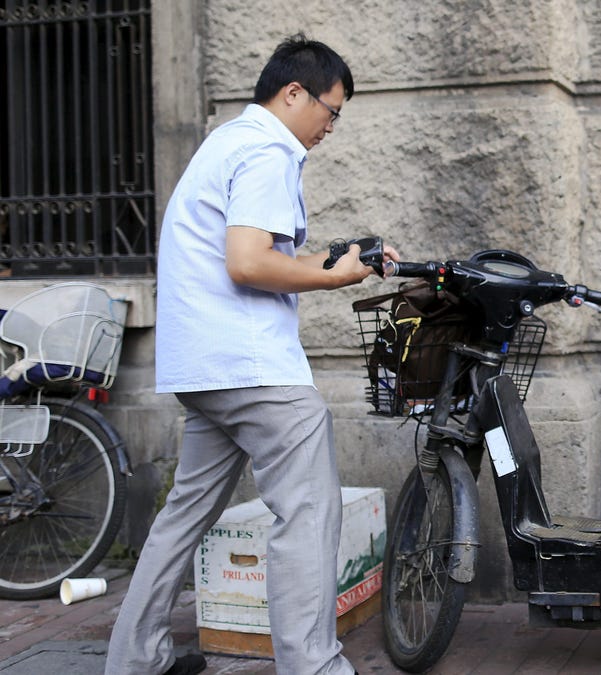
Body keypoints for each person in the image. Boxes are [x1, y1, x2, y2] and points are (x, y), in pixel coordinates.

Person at [106, 34, 395, 675]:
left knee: (184, 515)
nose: (330, 126)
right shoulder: (269, 150)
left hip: (204, 366)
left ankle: (135, 661)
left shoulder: (228, 142)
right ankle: (314, 667)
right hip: (251, 367)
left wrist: (349, 262)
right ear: (294, 93)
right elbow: (249, 264)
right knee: (309, 509)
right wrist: (336, 279)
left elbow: (262, 255)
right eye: (331, 110)